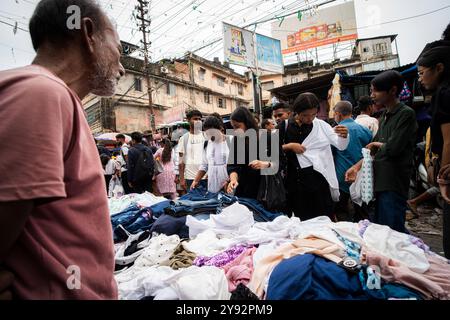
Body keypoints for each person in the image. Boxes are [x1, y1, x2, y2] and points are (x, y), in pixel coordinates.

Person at [0, 0, 125, 299]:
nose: (120, 68)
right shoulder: (40, 93)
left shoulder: (56, 97)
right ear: (88, 33)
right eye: (119, 50)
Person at [346, 70, 417, 234]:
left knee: (393, 232)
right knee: (381, 230)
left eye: (375, 91)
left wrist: (376, 145)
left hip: (393, 182)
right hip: (379, 183)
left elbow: (393, 148)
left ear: (392, 90)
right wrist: (356, 167)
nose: (372, 95)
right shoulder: (384, 116)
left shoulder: (406, 114)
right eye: (371, 91)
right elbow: (374, 150)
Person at [279, 93, 349, 220]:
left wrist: (344, 137)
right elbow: (269, 151)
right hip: (295, 185)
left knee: (323, 219)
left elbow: (341, 145)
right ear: (296, 112)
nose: (309, 118)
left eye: (313, 114)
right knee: (302, 222)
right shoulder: (284, 126)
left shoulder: (321, 126)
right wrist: (289, 146)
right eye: (305, 115)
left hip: (319, 183)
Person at [417, 35, 450, 257]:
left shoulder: (445, 93)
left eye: (421, 73)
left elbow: (449, 139)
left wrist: (444, 178)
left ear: (439, 68)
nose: (419, 79)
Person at [332, 101, 373, 222]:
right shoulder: (365, 130)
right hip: (361, 177)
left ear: (338, 114)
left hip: (342, 178)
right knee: (362, 214)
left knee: (341, 213)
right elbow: (370, 151)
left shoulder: (336, 130)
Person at [227, 107, 274, 199]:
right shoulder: (237, 140)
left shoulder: (267, 137)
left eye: (237, 126)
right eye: (233, 127)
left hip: (265, 189)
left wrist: (265, 164)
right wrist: (233, 179)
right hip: (244, 189)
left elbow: (280, 163)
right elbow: (233, 165)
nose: (235, 130)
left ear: (247, 123)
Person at [191, 116, 230, 193]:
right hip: (213, 187)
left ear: (220, 129)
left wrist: (230, 180)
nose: (210, 136)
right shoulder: (207, 144)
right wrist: (196, 181)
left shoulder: (231, 141)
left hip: (229, 186)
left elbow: (238, 167)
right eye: (207, 133)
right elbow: (204, 166)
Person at [178, 109, 207, 191]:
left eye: (199, 119)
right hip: (190, 178)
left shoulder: (206, 136)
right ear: (188, 120)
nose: (198, 121)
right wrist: (182, 179)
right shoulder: (184, 138)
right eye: (195, 119)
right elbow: (181, 161)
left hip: (206, 177)